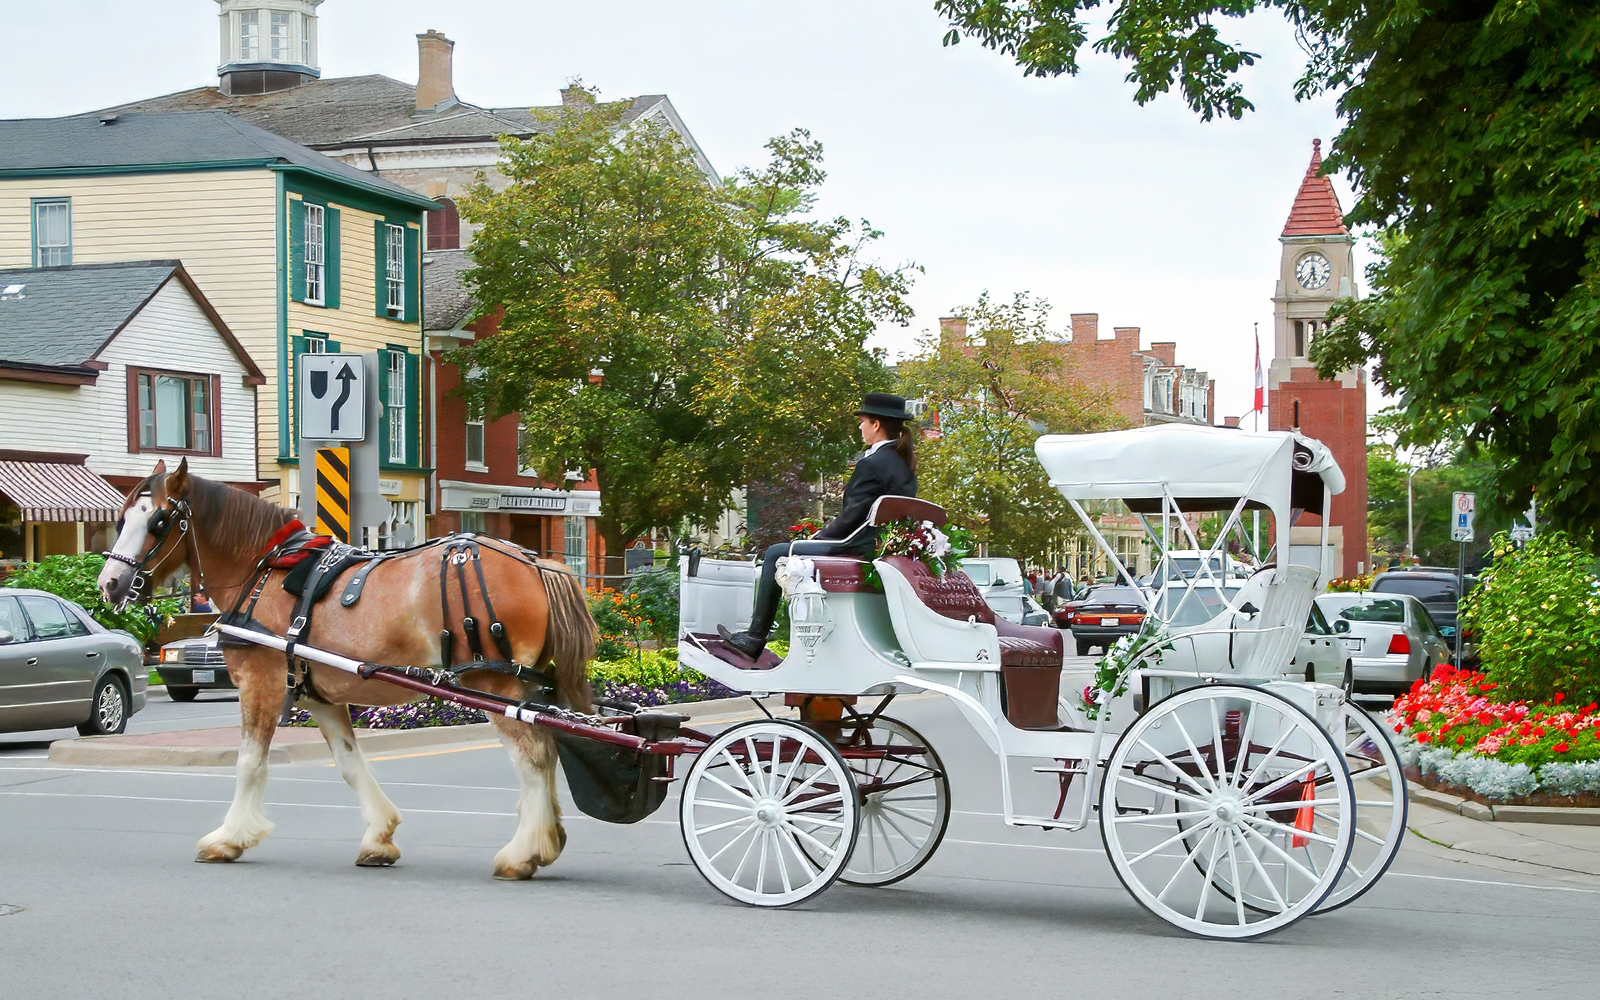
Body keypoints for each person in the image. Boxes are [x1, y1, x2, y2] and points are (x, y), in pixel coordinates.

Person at [718, 392, 918, 661]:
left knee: (776, 553)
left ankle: (754, 638)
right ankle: (755, 637)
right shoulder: (903, 465)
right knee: (786, 550)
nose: (859, 427)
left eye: (862, 421)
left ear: (876, 425)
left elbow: (851, 518)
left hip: (853, 544)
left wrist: (818, 535)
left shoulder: (873, 463)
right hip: (875, 546)